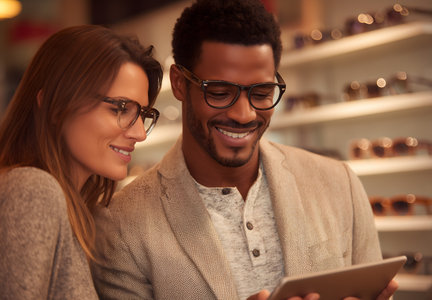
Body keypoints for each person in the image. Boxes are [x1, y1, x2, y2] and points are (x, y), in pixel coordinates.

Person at [90, 1, 398, 300]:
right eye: (221, 93)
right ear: (180, 83)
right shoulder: (121, 226)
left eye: (262, 93)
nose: (244, 114)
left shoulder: (338, 183)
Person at [0, 24, 162, 299]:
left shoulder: (77, 214)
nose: (139, 133)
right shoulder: (33, 189)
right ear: (53, 104)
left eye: (142, 113)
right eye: (120, 109)